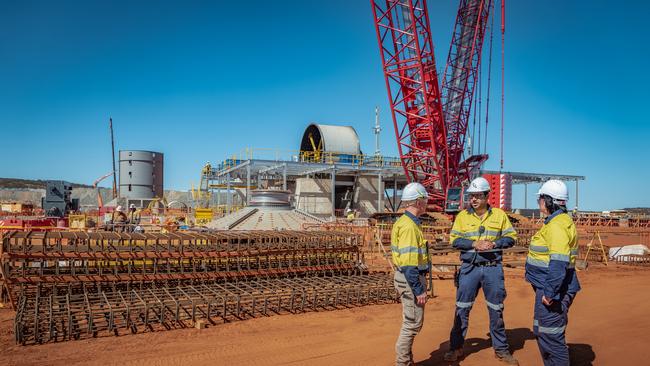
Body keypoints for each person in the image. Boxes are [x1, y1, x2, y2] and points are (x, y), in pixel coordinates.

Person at [444, 177, 519, 364]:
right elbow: (455, 240)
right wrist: (473, 243)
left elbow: (511, 237)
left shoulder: (499, 216)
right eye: (471, 196)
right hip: (469, 269)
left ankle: (501, 350)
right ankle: (456, 348)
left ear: (487, 196)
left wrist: (494, 243)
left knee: (496, 310)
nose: (474, 199)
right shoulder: (462, 217)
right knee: (462, 309)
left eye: (478, 196)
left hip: (492, 268)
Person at [526, 180, 580, 366]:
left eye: (540, 198)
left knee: (551, 337)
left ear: (547, 200)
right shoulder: (557, 221)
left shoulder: (557, 225)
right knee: (542, 331)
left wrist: (550, 292)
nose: (538, 202)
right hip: (548, 288)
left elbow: (558, 262)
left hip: (553, 291)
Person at [391, 182, 430, 366]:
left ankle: (406, 361)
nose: (427, 203)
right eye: (425, 199)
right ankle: (402, 363)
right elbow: (408, 264)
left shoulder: (405, 222)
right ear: (419, 201)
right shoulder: (409, 227)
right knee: (412, 324)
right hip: (409, 279)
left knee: (411, 321)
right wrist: (418, 289)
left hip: (406, 277)